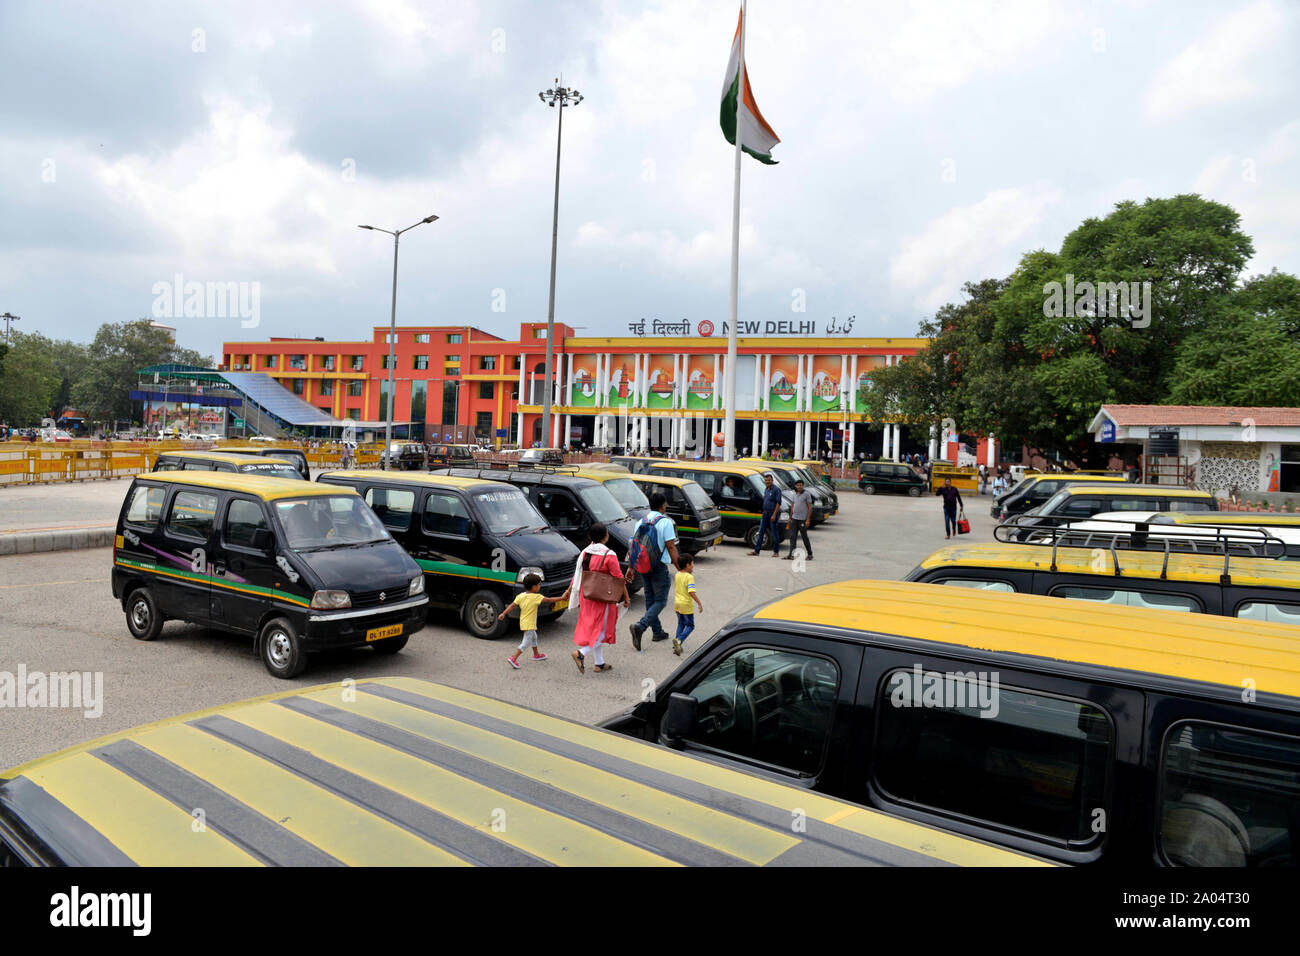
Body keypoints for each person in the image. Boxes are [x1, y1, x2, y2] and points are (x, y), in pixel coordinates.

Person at [566, 522, 628, 674]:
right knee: (604, 630)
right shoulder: (609, 555)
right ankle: (582, 653)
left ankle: (599, 663)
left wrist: (568, 591)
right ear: (606, 536)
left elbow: (577, 575)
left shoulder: (585, 553)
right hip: (603, 597)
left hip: (587, 596)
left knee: (595, 628)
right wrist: (626, 597)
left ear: (590, 537)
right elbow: (619, 579)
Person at [628, 492, 679, 651]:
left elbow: (634, 546)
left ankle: (657, 632)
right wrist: (680, 567)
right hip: (658, 566)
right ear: (663, 505)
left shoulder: (640, 522)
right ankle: (641, 626)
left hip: (643, 565)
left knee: (650, 599)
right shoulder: (666, 522)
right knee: (661, 601)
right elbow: (671, 547)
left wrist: (630, 567)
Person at [498, 573, 565, 669]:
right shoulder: (536, 597)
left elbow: (512, 605)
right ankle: (513, 658)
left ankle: (536, 654)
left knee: (534, 637)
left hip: (524, 622)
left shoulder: (521, 596)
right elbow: (550, 600)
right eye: (539, 585)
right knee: (526, 642)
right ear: (534, 587)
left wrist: (503, 614)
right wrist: (562, 598)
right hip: (529, 624)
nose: (539, 586)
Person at [671, 553, 703, 656]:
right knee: (690, 625)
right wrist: (699, 602)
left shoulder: (677, 574)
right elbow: (691, 591)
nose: (693, 566)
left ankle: (677, 646)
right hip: (686, 605)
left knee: (681, 623)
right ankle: (679, 640)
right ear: (687, 565)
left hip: (677, 604)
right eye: (692, 563)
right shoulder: (689, 577)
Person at [749, 472, 783, 557]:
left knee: (774, 533)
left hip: (773, 514)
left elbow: (778, 503)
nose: (767, 482)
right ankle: (757, 551)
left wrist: (774, 515)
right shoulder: (766, 489)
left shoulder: (776, 490)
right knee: (760, 532)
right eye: (766, 480)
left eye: (769, 480)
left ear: (772, 480)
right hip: (765, 514)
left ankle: (776, 552)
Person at [785, 478, 814, 560]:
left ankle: (810, 554)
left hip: (802, 520)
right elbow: (793, 506)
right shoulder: (795, 494)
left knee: (804, 537)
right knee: (792, 537)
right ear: (796, 486)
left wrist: (808, 520)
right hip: (794, 519)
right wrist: (790, 518)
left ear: (803, 486)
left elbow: (810, 508)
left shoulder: (807, 494)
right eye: (798, 485)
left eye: (801, 485)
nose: (799, 486)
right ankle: (791, 554)